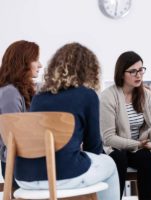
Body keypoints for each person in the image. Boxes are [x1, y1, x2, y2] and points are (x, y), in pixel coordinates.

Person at [14, 42, 120, 200]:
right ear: (88, 70)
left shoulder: (38, 98)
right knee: (109, 163)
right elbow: (93, 147)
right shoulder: (87, 95)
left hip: (25, 177)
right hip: (63, 176)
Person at [100, 51, 151, 200]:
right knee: (119, 158)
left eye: (141, 70)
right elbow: (109, 138)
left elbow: (146, 132)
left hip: (136, 146)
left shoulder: (146, 95)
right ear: (121, 74)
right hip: (114, 147)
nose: (138, 75)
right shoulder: (108, 96)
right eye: (132, 71)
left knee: (146, 159)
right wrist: (138, 144)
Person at [0, 40, 42, 187]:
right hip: (17, 167)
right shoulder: (10, 92)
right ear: (23, 62)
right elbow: (13, 139)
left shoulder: (26, 90)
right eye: (36, 60)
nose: (40, 65)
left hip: (26, 163)